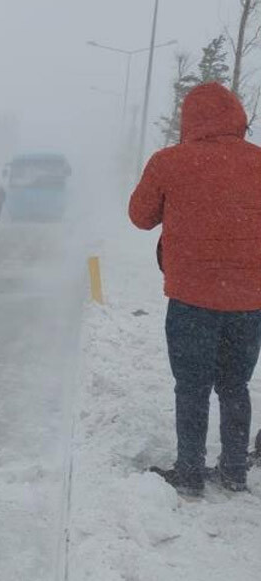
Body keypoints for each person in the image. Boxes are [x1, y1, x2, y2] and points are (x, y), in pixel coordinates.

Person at [129, 82, 261, 497]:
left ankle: (189, 473)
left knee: (191, 387)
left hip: (191, 301)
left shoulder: (169, 161)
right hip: (249, 302)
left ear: (189, 120)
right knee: (235, 386)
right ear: (238, 117)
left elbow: (139, 216)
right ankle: (235, 471)